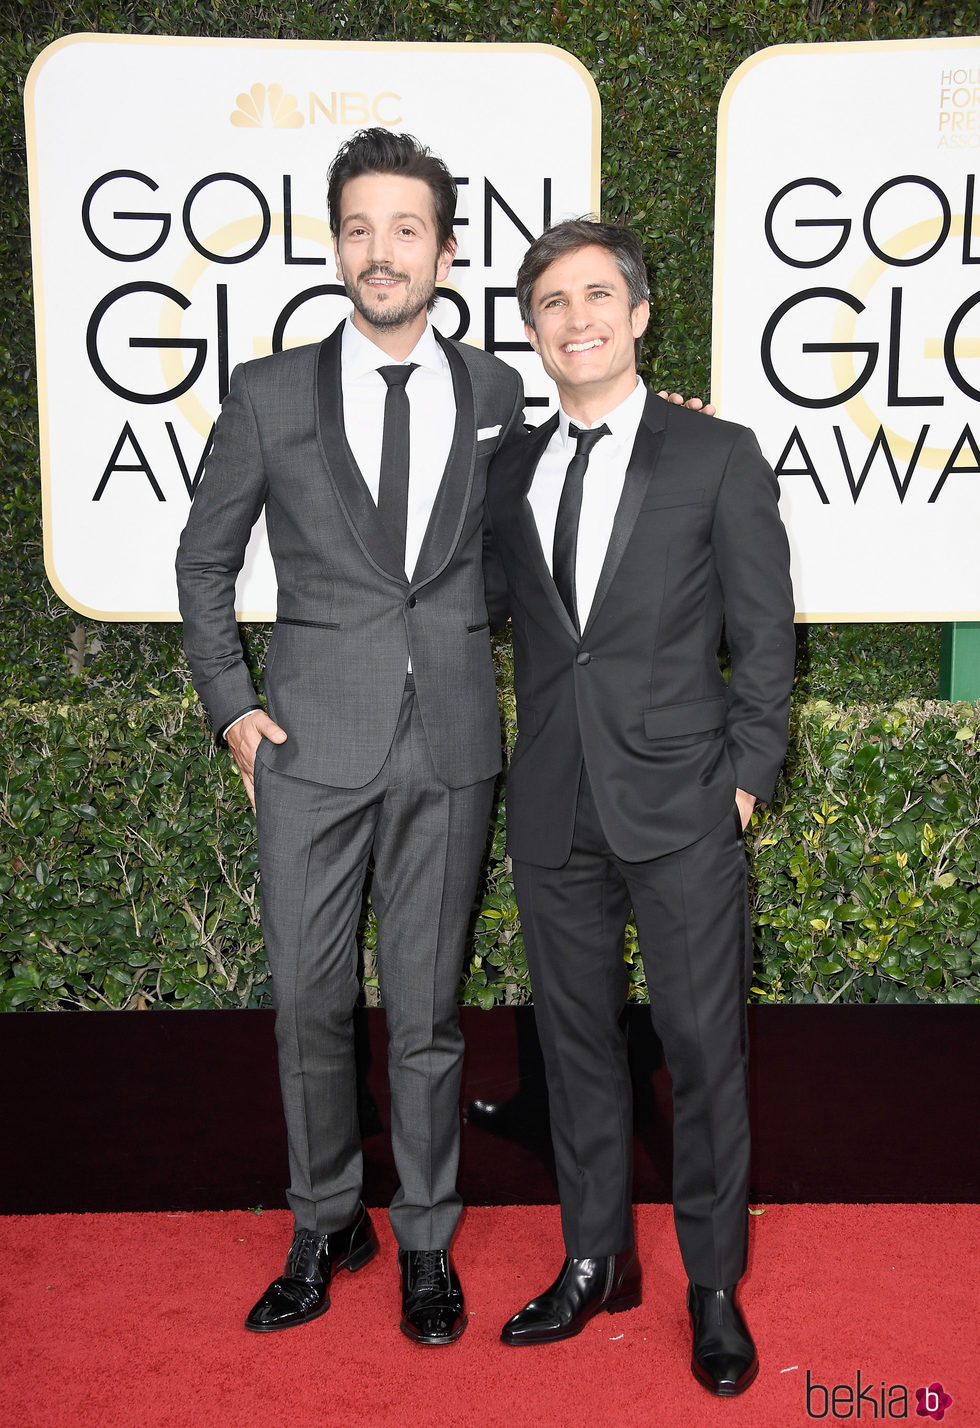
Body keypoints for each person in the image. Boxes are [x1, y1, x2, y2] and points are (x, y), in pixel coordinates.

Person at [176, 128, 525, 1346]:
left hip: (451, 746)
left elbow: (509, 553)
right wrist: (233, 713)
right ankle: (326, 1218)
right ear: (337, 244)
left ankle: (425, 1234)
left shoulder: (493, 390)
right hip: (308, 744)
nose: (384, 253)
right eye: (361, 228)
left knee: (427, 1012)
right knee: (309, 1004)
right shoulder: (269, 393)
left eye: (408, 229)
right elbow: (203, 562)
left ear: (443, 249)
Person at [485, 219, 795, 1396]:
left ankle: (711, 1285)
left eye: (597, 297)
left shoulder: (715, 454)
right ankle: (595, 1259)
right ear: (531, 330)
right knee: (574, 1052)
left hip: (680, 804)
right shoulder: (506, 467)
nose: (576, 320)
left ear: (639, 313)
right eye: (552, 304)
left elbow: (765, 638)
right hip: (554, 803)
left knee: (705, 1052)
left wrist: (745, 779)